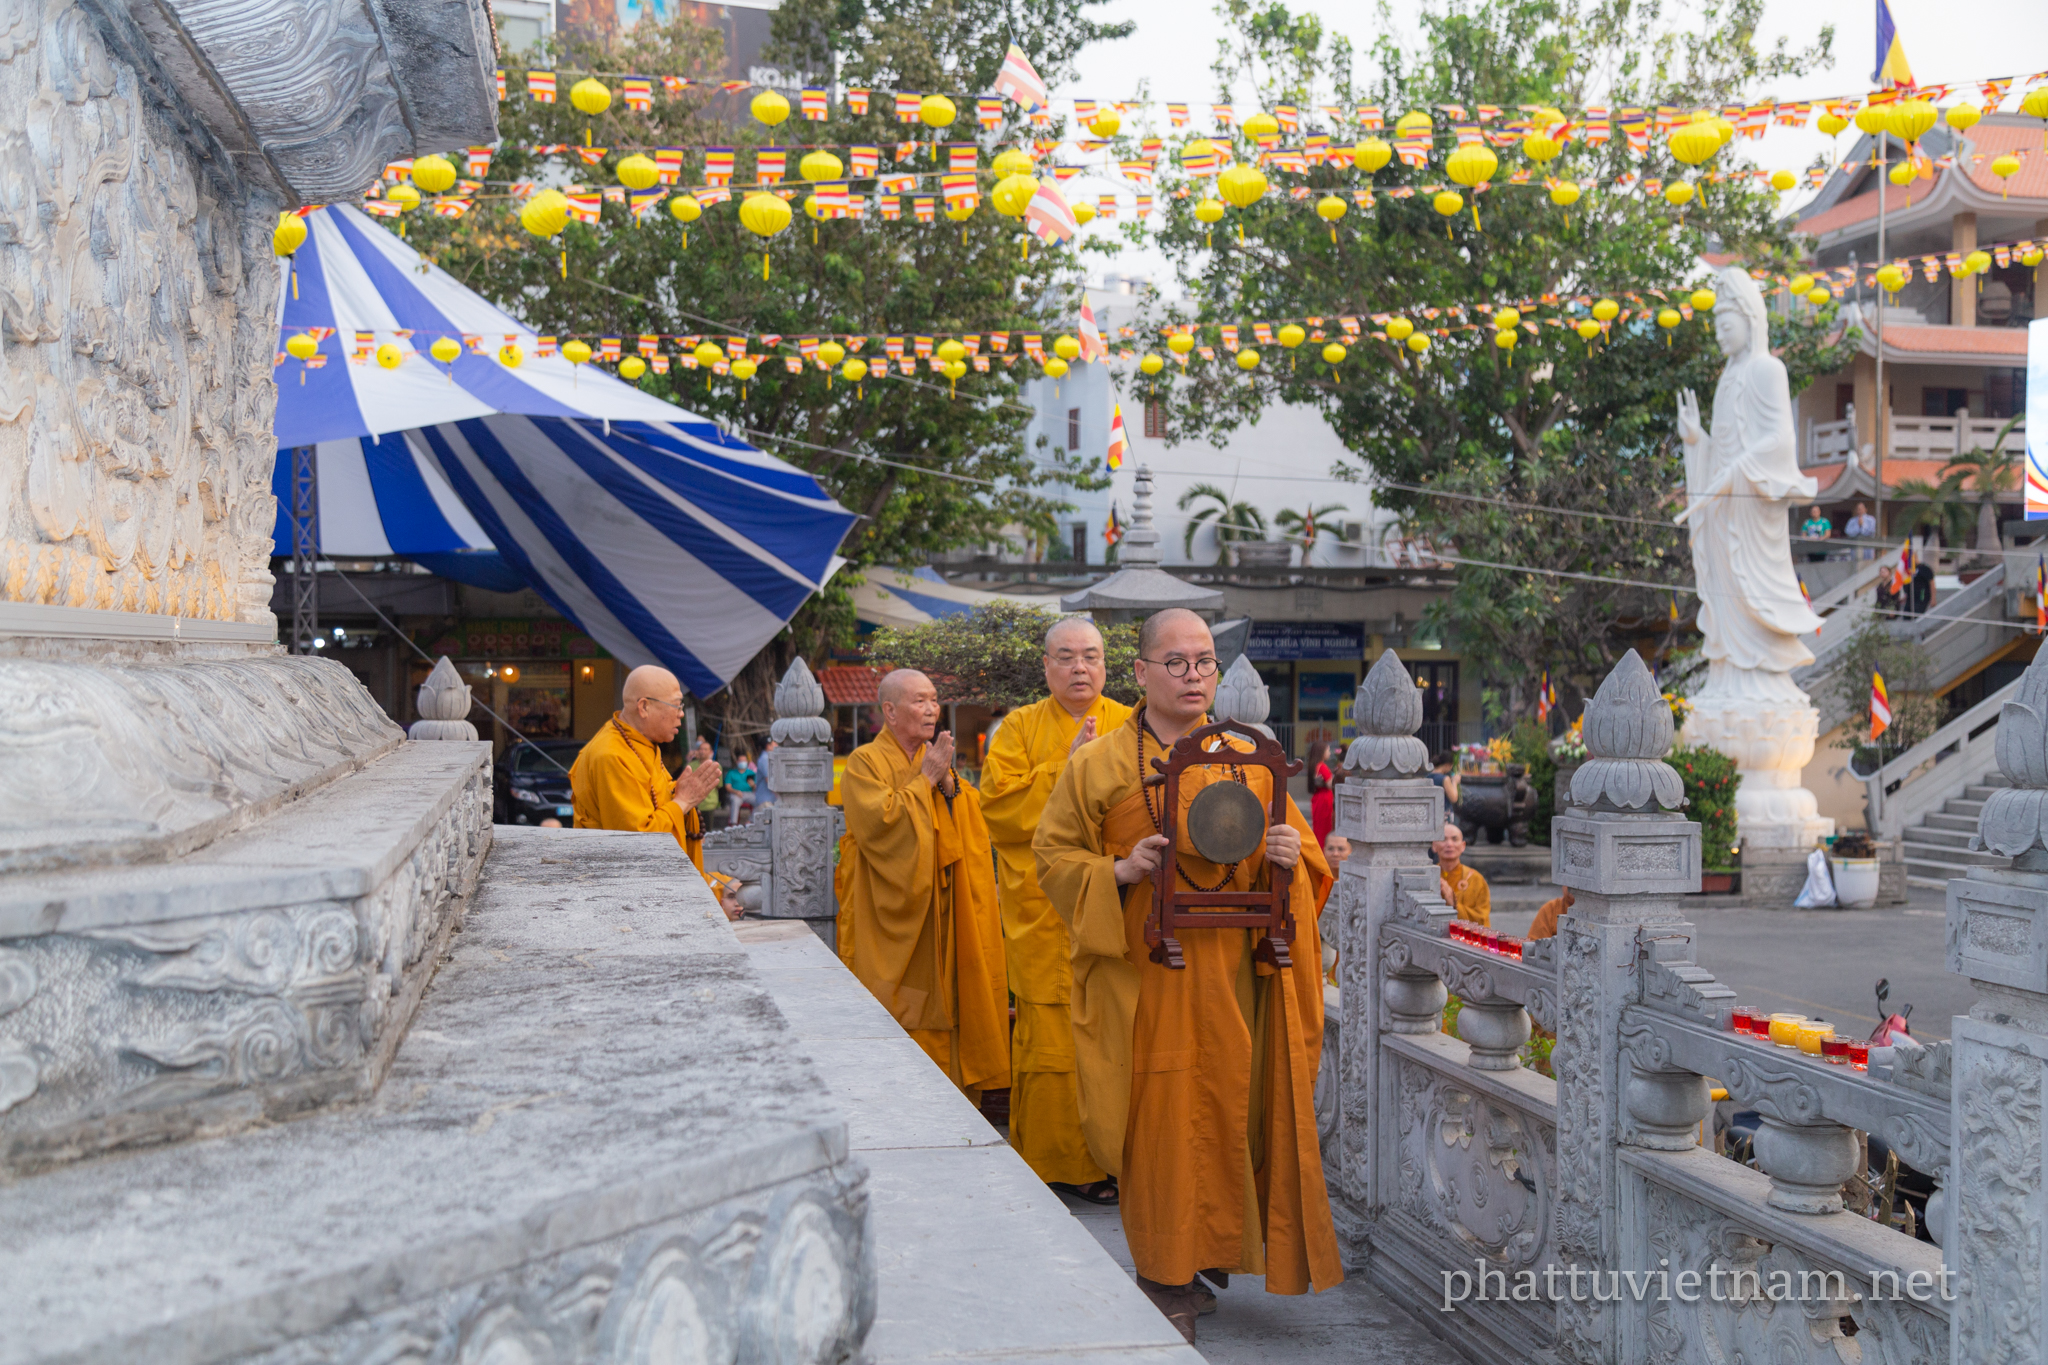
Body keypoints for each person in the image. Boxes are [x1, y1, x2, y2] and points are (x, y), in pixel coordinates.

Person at [1034, 608, 1342, 1344]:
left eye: (1204, 661)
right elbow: (1052, 856)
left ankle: (1206, 1257)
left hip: (1235, 975)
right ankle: (1163, 1275)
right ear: (1141, 672)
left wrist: (1292, 859)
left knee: (1231, 1110)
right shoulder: (1098, 763)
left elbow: (1302, 864)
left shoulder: (1247, 758)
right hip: (1147, 978)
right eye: (1176, 662)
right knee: (1161, 1123)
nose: (1193, 674)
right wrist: (1118, 869)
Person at [979, 617, 1134, 1206]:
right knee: (1049, 1040)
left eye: (1090, 656)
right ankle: (1056, 1163)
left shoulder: (1132, 723)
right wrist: (1068, 768)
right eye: (1065, 657)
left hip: (1117, 904)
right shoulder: (1019, 727)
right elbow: (999, 808)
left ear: (1106, 665)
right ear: (1046, 667)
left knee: (1118, 1032)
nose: (1079, 667)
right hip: (1044, 907)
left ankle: (1120, 1156)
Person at [835, 669, 1009, 1101]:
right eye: (920, 701)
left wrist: (949, 786)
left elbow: (967, 824)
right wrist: (926, 780)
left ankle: (957, 1114)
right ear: (890, 711)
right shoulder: (863, 763)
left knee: (949, 1003)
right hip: (888, 918)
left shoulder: (933, 763)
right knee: (892, 1018)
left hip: (943, 915)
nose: (932, 709)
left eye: (934, 700)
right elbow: (879, 826)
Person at [569, 665, 722, 872]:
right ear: (644, 707)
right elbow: (637, 843)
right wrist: (683, 801)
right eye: (676, 705)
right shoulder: (612, 756)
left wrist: (678, 793)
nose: (681, 714)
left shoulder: (641, 744)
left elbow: (655, 800)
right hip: (618, 880)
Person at [1434, 821, 1489, 926]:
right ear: (1434, 845)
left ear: (1463, 846)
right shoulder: (1428, 878)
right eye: (1443, 839)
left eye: (1454, 839)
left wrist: (1454, 905)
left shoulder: (1476, 879)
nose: (1449, 844)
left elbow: (1482, 919)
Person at [1308, 741, 1336, 848]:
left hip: (1318, 798)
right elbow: (1330, 784)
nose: (1329, 753)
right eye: (1328, 750)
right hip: (1325, 799)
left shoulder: (1314, 765)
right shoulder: (1322, 766)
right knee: (1325, 828)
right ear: (1322, 752)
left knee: (1319, 828)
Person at [724, 749, 758, 824]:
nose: (742, 762)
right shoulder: (731, 773)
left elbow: (757, 787)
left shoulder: (751, 773)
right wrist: (736, 792)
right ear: (737, 762)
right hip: (735, 794)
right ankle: (733, 823)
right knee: (735, 801)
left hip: (749, 794)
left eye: (744, 761)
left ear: (747, 762)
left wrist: (753, 785)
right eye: (740, 761)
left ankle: (751, 821)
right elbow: (728, 787)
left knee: (759, 801)